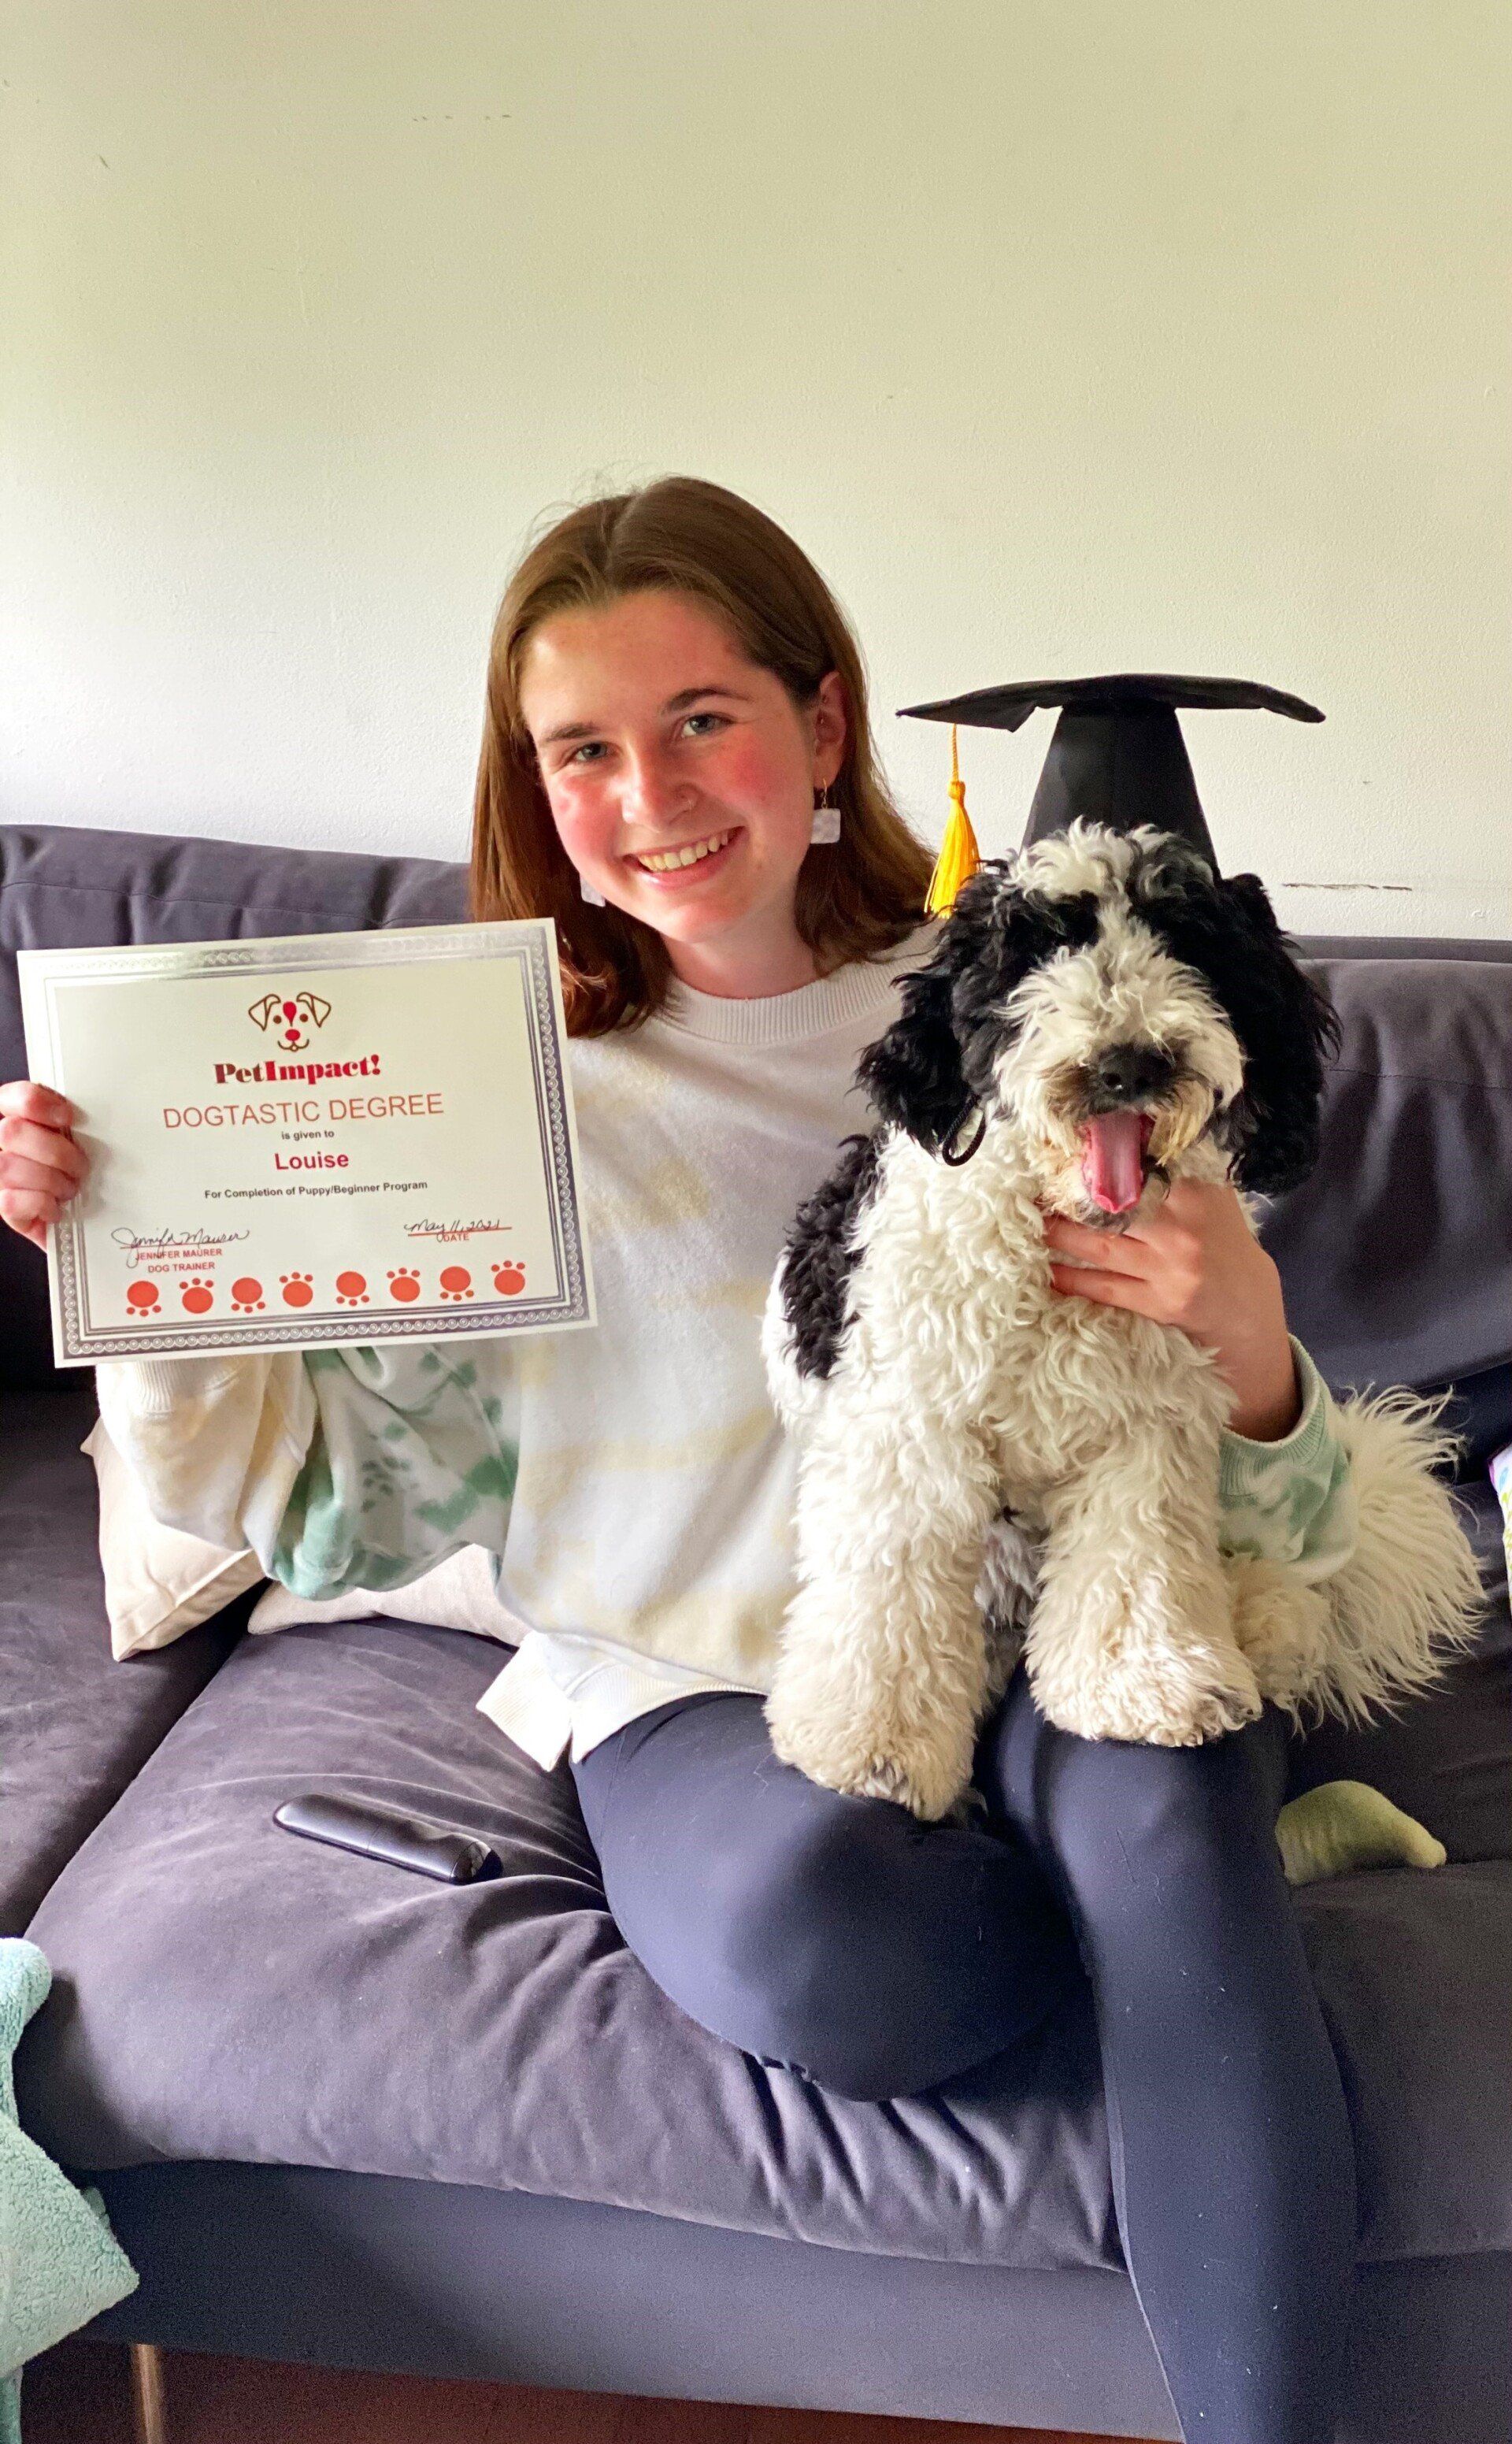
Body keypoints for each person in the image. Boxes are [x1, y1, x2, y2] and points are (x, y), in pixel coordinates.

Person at [0, 477, 1358, 2444]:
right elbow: (352, 1514)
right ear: (531, 785)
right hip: (699, 1689)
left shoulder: (1030, 998)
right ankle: (1147, 1907)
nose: (652, 792)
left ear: (823, 723)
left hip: (1075, 1618)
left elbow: (1263, 1496)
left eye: (703, 717)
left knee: (1165, 1816)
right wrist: (157, 1265)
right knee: (842, 1954)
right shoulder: (477, 1094)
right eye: (583, 749)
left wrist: (1249, 1345)